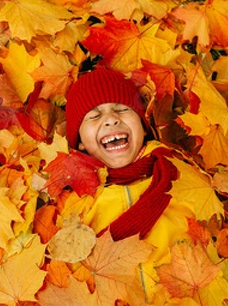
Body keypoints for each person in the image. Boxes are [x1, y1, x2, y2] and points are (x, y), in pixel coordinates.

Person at [62, 66, 204, 302]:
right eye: (95, 116)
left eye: (121, 109)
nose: (110, 119)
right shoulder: (74, 202)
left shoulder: (180, 174)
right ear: (81, 143)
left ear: (142, 125)